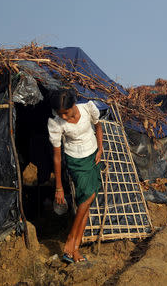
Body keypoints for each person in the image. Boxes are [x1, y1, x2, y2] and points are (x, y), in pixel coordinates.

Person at [47, 89, 103, 263]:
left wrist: (100, 147)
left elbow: (98, 125)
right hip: (76, 161)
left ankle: (76, 249)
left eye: (66, 112)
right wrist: (59, 187)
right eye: (59, 113)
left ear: (73, 105)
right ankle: (71, 240)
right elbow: (57, 156)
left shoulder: (87, 109)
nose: (63, 116)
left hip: (93, 156)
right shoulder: (56, 123)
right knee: (86, 199)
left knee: (87, 200)